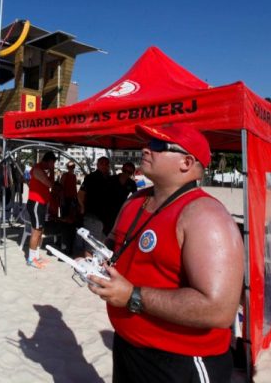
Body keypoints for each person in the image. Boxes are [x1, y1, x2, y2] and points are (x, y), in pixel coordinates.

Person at [89, 123, 244, 383]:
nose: (146, 149)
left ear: (186, 162)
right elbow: (116, 247)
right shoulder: (135, 200)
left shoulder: (205, 215)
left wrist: (132, 296)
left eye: (158, 146)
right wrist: (95, 262)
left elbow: (219, 310)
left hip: (182, 360)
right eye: (148, 143)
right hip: (128, 347)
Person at [77, 156, 115, 254]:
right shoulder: (91, 177)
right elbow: (80, 194)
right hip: (93, 215)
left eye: (106, 164)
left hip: (106, 217)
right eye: (102, 163)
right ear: (97, 165)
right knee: (91, 244)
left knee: (102, 243)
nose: (105, 166)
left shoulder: (110, 178)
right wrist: (82, 207)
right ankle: (88, 262)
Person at [26, 151, 56, 269]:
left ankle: (36, 256)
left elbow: (51, 183)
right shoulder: (38, 170)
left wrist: (52, 171)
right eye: (52, 163)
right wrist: (52, 171)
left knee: (40, 230)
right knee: (36, 231)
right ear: (48, 161)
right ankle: (31, 258)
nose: (53, 165)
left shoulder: (43, 170)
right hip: (36, 203)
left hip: (41, 204)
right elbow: (50, 185)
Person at [105, 162, 138, 237]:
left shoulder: (132, 183)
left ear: (132, 173)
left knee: (116, 231)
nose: (126, 173)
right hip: (107, 209)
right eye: (125, 170)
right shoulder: (111, 179)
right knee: (106, 232)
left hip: (121, 210)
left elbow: (136, 197)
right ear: (122, 169)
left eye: (129, 172)